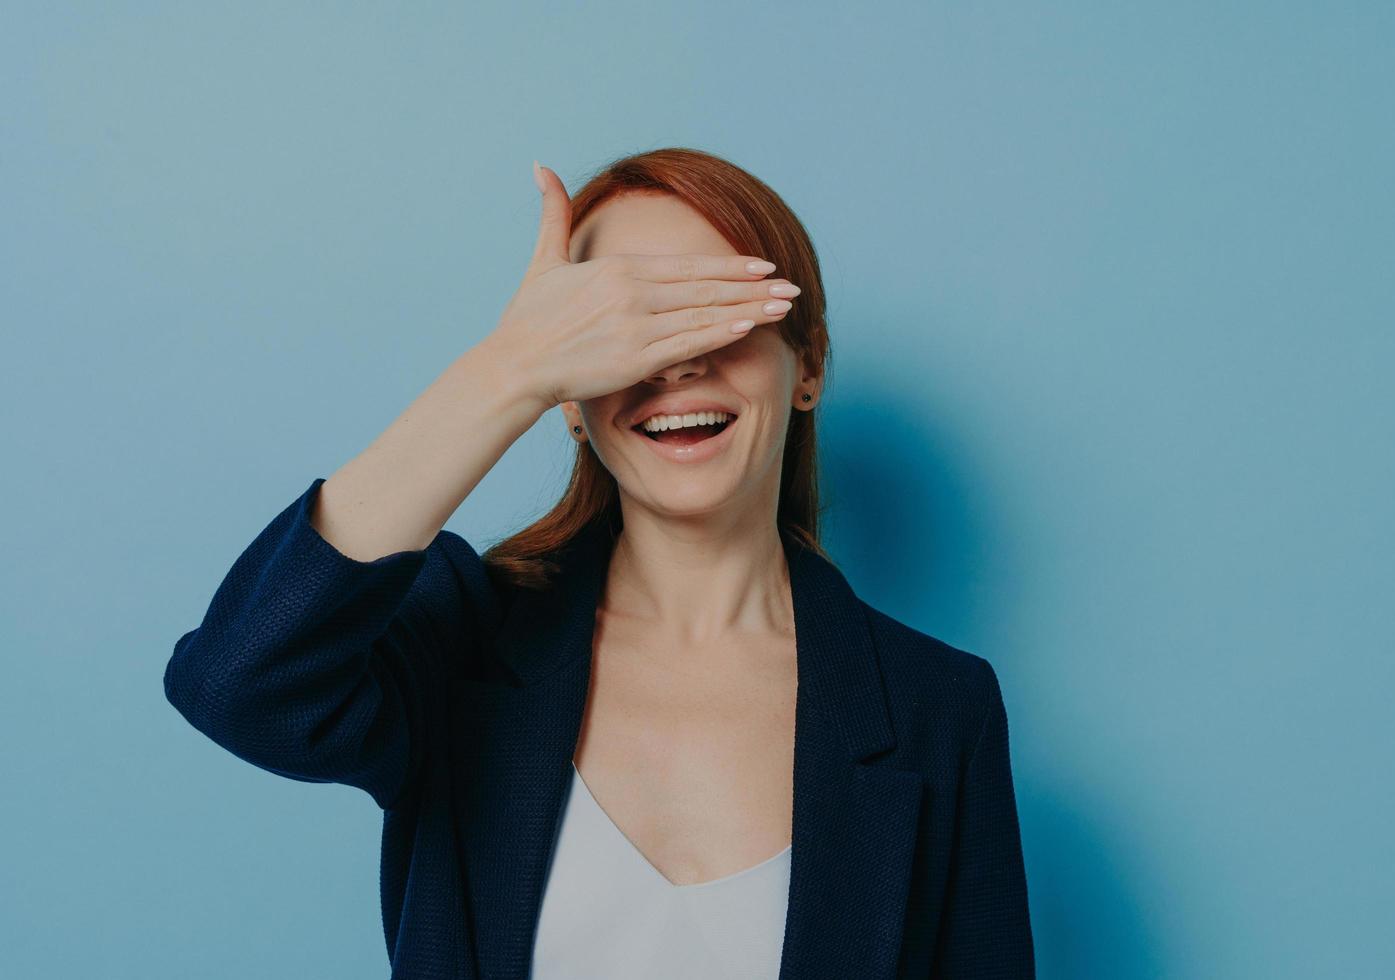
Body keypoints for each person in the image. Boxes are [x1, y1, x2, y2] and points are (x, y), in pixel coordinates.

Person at [163, 147, 1035, 978]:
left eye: (718, 311)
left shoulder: (938, 709)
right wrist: (508, 371)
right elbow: (240, 682)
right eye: (626, 326)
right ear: (572, 403)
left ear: (804, 364)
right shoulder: (467, 635)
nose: (678, 359)